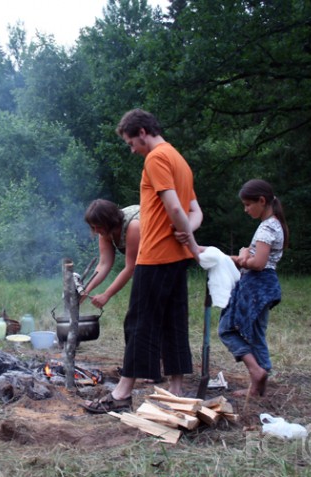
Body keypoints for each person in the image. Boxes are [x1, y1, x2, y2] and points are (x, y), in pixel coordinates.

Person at [83, 109, 202, 414]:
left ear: (143, 132)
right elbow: (194, 211)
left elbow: (175, 208)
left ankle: (122, 394)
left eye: (130, 142)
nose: (132, 149)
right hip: (176, 259)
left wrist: (189, 238)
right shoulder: (179, 159)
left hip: (156, 254)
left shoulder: (157, 158)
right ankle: (176, 390)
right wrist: (189, 239)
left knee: (139, 322)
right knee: (173, 321)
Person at [218, 179, 288, 397]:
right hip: (264, 285)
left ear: (262, 200)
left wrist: (242, 258)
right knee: (257, 334)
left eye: (248, 204)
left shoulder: (267, 228)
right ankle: (257, 388)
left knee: (226, 329)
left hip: (257, 286)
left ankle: (257, 372)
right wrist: (242, 255)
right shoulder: (274, 224)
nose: (246, 210)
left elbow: (258, 264)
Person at [81, 199, 140, 309]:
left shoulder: (134, 226)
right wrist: (86, 289)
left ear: (110, 222)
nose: (96, 230)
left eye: (98, 226)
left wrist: (106, 295)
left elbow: (131, 267)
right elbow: (104, 264)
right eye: (93, 227)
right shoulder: (105, 231)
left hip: (165, 256)